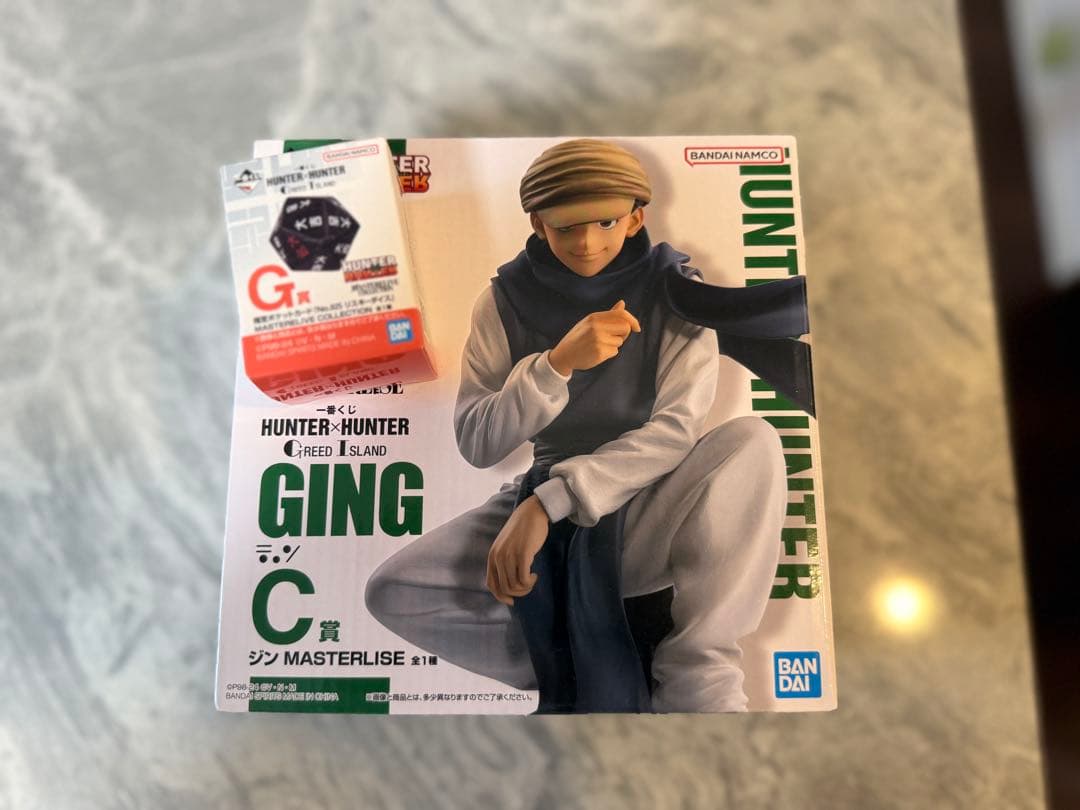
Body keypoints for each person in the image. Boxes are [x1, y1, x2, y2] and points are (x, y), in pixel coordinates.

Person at [366, 139, 804, 712]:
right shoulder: (502, 301)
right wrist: (554, 366)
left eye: (606, 222)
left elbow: (675, 431)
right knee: (393, 590)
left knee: (753, 441)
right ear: (538, 224)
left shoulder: (675, 293)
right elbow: (476, 441)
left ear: (636, 218)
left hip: (650, 496)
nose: (587, 242)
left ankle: (698, 665)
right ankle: (569, 654)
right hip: (541, 486)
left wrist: (547, 505)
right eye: (566, 226)